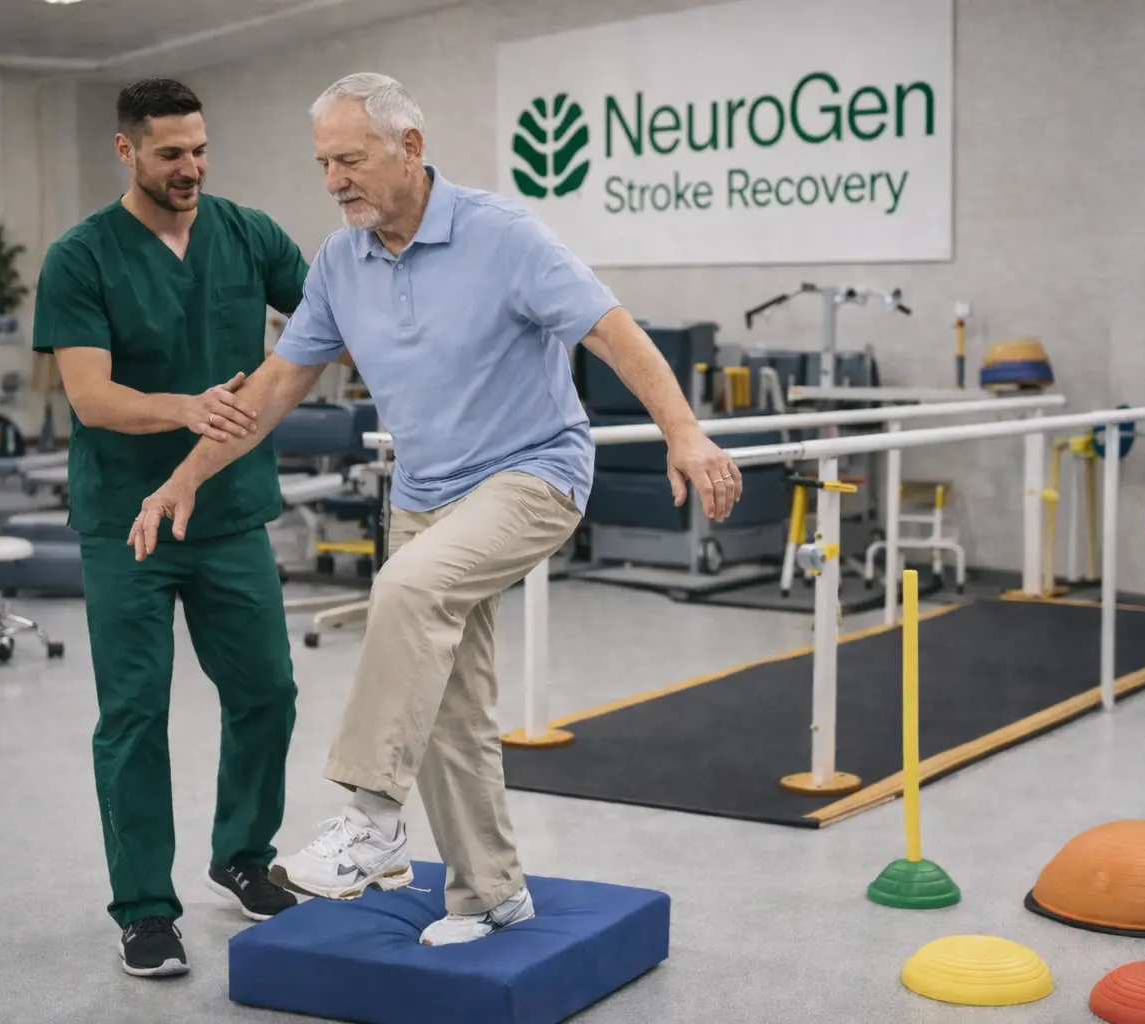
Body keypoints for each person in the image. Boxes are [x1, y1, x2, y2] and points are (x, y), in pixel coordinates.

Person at [128, 72, 742, 947]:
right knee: (449, 703)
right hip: (424, 495)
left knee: (409, 593)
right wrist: (186, 474)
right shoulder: (341, 260)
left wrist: (684, 432)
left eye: (350, 159)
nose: (334, 179)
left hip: (533, 476)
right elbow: (272, 390)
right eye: (322, 164)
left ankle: (373, 821)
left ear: (409, 147)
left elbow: (610, 327)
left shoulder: (502, 236)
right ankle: (490, 894)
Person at [33, 78, 313, 978]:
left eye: (199, 149)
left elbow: (324, 319)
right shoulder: (81, 257)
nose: (190, 167)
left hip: (231, 513)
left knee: (268, 690)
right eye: (169, 153)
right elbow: (89, 394)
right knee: (135, 715)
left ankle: (241, 853)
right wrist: (185, 409)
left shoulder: (249, 234)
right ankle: (146, 909)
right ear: (126, 151)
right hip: (127, 522)